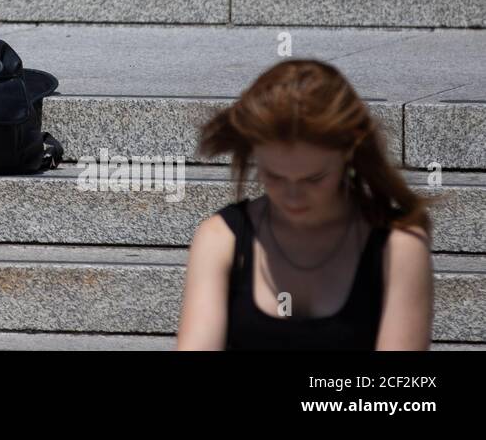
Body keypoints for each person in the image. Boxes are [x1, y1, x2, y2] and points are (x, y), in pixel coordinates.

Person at [177, 59, 434, 350]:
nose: (293, 195)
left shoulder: (398, 245)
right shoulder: (220, 239)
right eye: (274, 176)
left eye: (314, 178)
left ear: (349, 155)